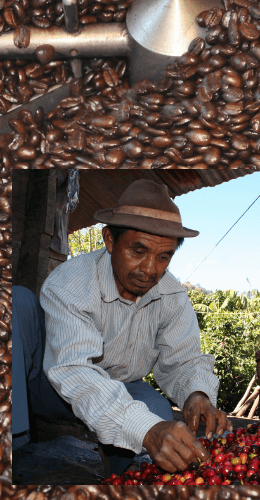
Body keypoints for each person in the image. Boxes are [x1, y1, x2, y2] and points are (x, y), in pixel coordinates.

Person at [13, 179, 232, 477]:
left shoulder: (172, 296)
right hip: (51, 385)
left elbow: (183, 359)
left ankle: (117, 473)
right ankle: (14, 448)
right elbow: (75, 372)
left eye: (163, 256)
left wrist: (197, 393)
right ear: (110, 240)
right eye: (138, 251)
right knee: (17, 303)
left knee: (158, 417)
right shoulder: (73, 282)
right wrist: (145, 429)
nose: (149, 269)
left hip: (125, 387)